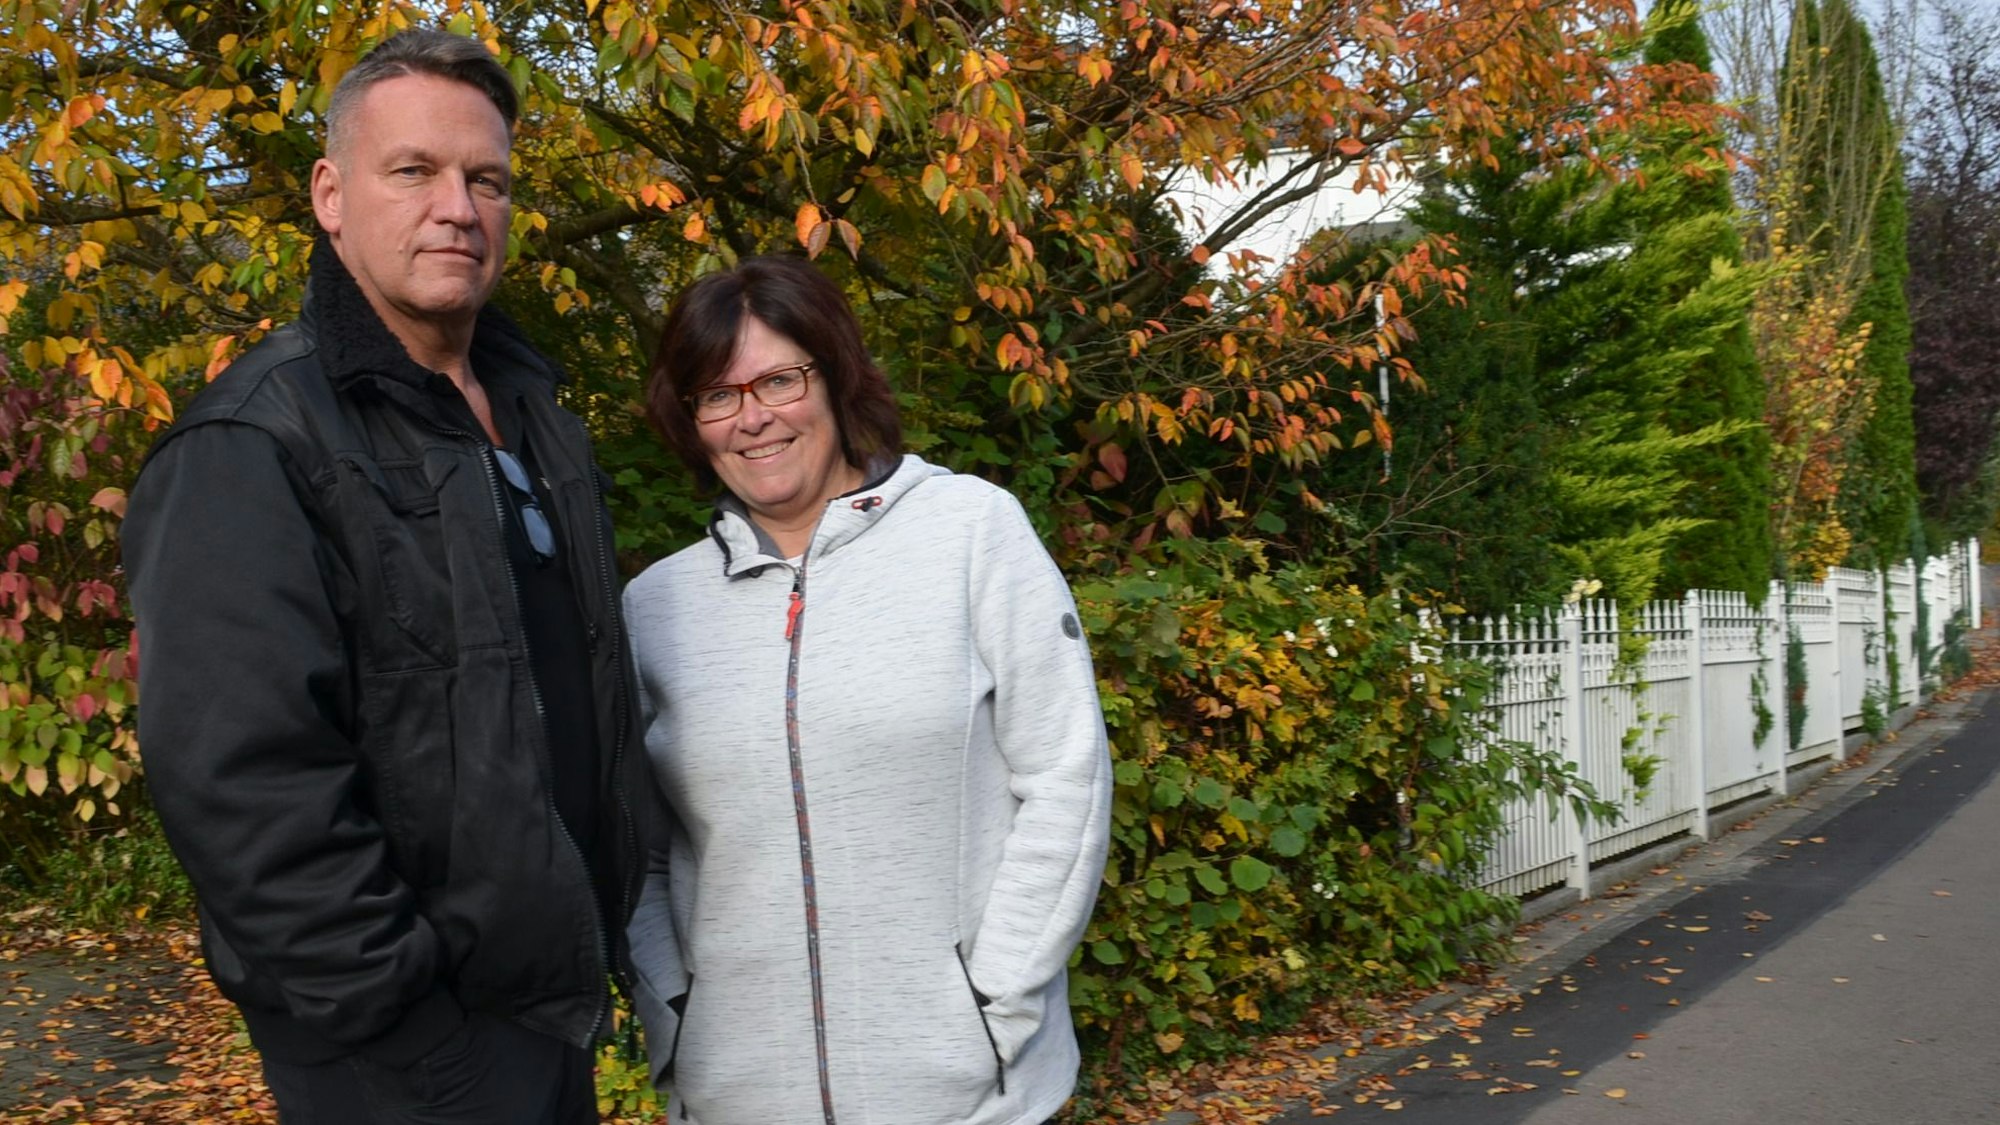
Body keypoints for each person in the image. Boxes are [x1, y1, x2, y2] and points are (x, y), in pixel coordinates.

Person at [122, 29, 650, 1123]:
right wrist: (406, 1023)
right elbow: (245, 786)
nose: (457, 206)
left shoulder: (536, 417)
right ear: (330, 193)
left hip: (544, 1005)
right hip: (401, 1046)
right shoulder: (251, 444)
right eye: (412, 170)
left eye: (486, 179)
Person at [622, 256, 1112, 1125]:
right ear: (690, 418)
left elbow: (1065, 778)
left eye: (779, 378)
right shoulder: (657, 606)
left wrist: (993, 1008)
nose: (754, 417)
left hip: (969, 1096)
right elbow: (640, 849)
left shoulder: (971, 533)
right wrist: (678, 1017)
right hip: (737, 1097)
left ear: (835, 376)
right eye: (718, 394)